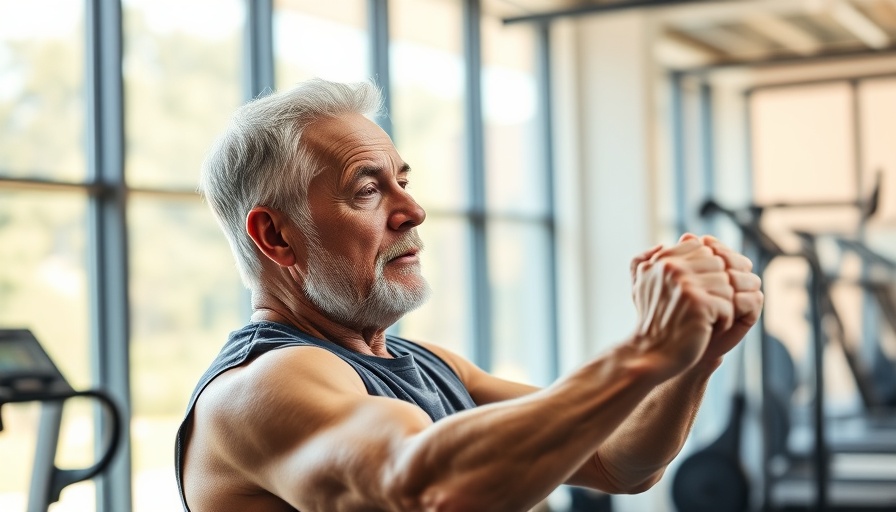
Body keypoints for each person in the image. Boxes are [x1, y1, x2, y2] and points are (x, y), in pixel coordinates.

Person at [175, 78, 763, 512]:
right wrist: (646, 350)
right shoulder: (261, 386)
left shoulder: (429, 364)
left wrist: (696, 353)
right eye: (367, 190)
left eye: (402, 181)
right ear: (276, 236)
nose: (412, 210)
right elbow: (431, 493)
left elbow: (617, 460)